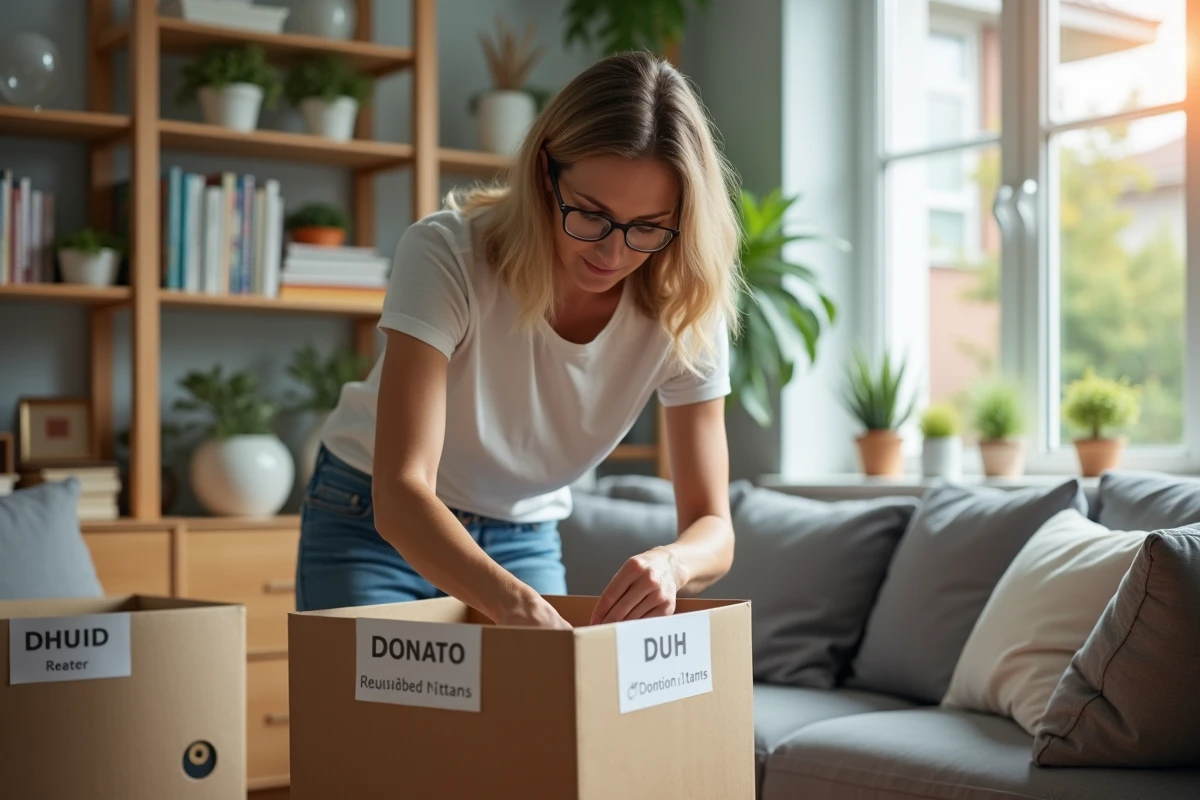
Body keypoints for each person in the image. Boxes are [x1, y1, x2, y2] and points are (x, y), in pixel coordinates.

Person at [294, 50, 743, 629]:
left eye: (648, 227)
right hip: (373, 516)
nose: (613, 253)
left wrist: (672, 565)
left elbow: (714, 526)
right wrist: (514, 602)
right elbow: (403, 492)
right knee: (384, 717)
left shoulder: (686, 305)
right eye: (590, 214)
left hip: (522, 535)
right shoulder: (448, 254)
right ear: (543, 173)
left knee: (538, 719)